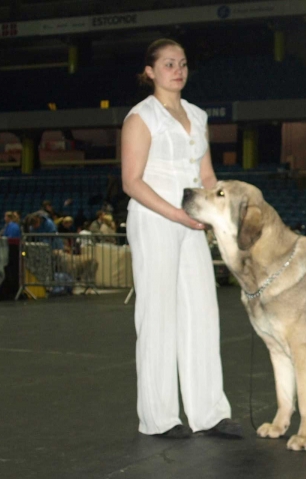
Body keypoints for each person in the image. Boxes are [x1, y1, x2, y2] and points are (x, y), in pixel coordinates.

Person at [121, 38, 240, 440]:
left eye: (183, 63)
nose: (178, 70)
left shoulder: (198, 115)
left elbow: (206, 177)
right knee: (157, 317)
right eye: (169, 64)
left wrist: (218, 211)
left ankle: (208, 411)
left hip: (192, 222)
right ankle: (160, 417)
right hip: (155, 219)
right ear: (150, 72)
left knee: (202, 312)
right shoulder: (141, 117)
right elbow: (131, 182)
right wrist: (177, 213)